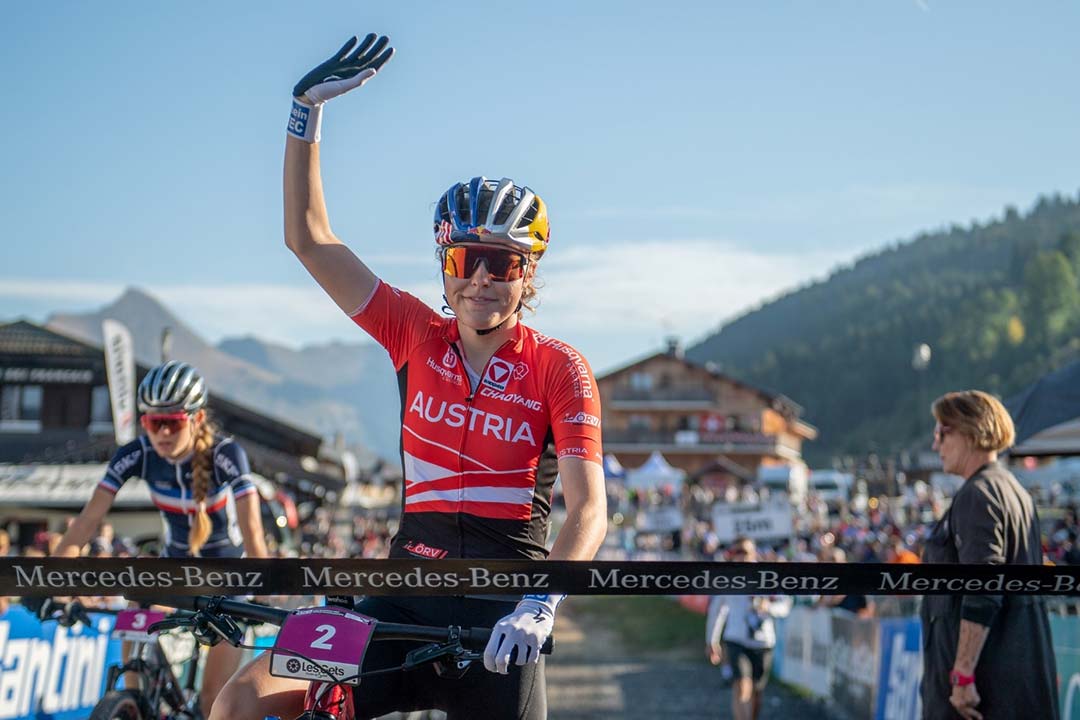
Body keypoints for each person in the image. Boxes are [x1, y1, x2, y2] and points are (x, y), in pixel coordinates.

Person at [210, 33, 607, 720]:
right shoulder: (413, 332)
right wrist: (304, 112)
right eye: (465, 259)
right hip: (397, 593)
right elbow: (308, 237)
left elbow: (590, 510)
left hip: (501, 611)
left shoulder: (559, 367)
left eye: (503, 263)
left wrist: (542, 602)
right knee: (243, 697)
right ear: (445, 263)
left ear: (529, 273)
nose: (482, 278)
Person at [54, 360, 269, 717]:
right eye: (154, 423)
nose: (163, 434)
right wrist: (54, 581)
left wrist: (266, 582)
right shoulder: (137, 454)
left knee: (212, 700)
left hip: (230, 578)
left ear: (196, 419)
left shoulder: (225, 454)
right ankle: (136, 702)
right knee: (135, 596)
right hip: (176, 572)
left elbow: (253, 531)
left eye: (172, 422)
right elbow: (86, 522)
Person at [921, 390, 1058, 720]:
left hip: (983, 694)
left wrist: (963, 675)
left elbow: (983, 586)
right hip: (1013, 679)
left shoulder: (978, 494)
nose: (935, 445)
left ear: (970, 431)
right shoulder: (1012, 491)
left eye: (942, 432)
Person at [706, 537, 791, 720]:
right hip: (736, 639)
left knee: (757, 694)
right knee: (742, 686)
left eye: (744, 552)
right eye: (736, 552)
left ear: (754, 553)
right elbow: (717, 611)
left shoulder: (768, 576)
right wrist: (712, 640)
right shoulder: (727, 578)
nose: (740, 556)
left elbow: (785, 605)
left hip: (763, 641)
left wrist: (769, 608)